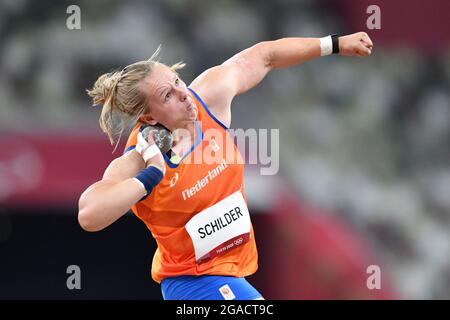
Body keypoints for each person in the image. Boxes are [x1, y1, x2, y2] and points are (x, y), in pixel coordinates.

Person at [78, 32, 374, 300]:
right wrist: (151, 174)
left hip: (229, 276)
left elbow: (265, 55)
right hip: (191, 285)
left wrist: (334, 44)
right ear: (150, 118)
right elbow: (89, 215)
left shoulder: (209, 98)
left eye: (177, 81)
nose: (183, 94)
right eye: (167, 96)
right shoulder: (139, 157)